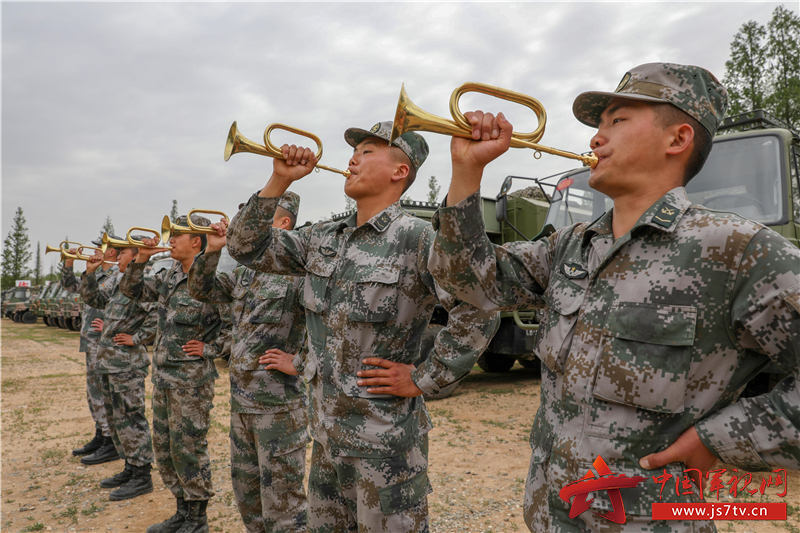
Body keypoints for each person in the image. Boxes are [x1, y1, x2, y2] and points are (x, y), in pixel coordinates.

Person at [427, 62, 800, 532]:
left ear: (678, 139)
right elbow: (468, 283)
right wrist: (466, 173)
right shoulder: (571, 245)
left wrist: (722, 439)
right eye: (598, 126)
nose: (595, 139)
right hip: (552, 515)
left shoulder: (737, 250)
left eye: (617, 121)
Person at [223, 121, 499, 532]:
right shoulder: (323, 238)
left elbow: (479, 306)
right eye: (356, 150)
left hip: (384, 449)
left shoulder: (417, 239)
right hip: (326, 439)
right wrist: (279, 179)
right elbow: (245, 246)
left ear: (399, 172)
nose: (353, 159)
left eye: (368, 151)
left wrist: (425, 377)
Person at [187, 193, 309, 533]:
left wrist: (300, 362)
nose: (245, 229)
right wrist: (212, 250)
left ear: (283, 223)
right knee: (249, 498)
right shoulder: (244, 274)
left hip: (279, 409)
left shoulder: (299, 272)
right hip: (242, 405)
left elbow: (330, 323)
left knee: (284, 507)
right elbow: (199, 290)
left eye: (256, 221)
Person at [120, 215, 231, 533]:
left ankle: (198, 519)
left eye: (176, 236)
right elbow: (131, 291)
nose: (169, 241)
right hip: (164, 378)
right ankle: (182, 511)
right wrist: (140, 260)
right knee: (166, 447)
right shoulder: (168, 278)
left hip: (192, 382)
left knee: (189, 448)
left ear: (196, 241)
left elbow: (235, 325)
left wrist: (210, 350)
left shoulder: (212, 282)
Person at [80, 238, 157, 501]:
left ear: (135, 256)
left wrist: (136, 338)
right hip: (108, 361)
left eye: (122, 252)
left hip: (127, 363)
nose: (116, 256)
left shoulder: (143, 283)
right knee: (116, 419)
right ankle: (129, 466)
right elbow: (94, 299)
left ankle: (142, 475)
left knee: (131, 418)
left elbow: (158, 315)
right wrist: (90, 274)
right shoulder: (118, 283)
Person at [62, 237, 121, 465]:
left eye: (101, 246)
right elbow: (71, 287)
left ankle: (110, 440)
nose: (95, 250)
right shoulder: (94, 273)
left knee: (104, 392)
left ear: (113, 251)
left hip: (107, 342)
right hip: (90, 339)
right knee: (93, 392)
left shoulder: (118, 275)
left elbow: (124, 306)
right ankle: (100, 432)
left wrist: (110, 323)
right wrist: (68, 263)